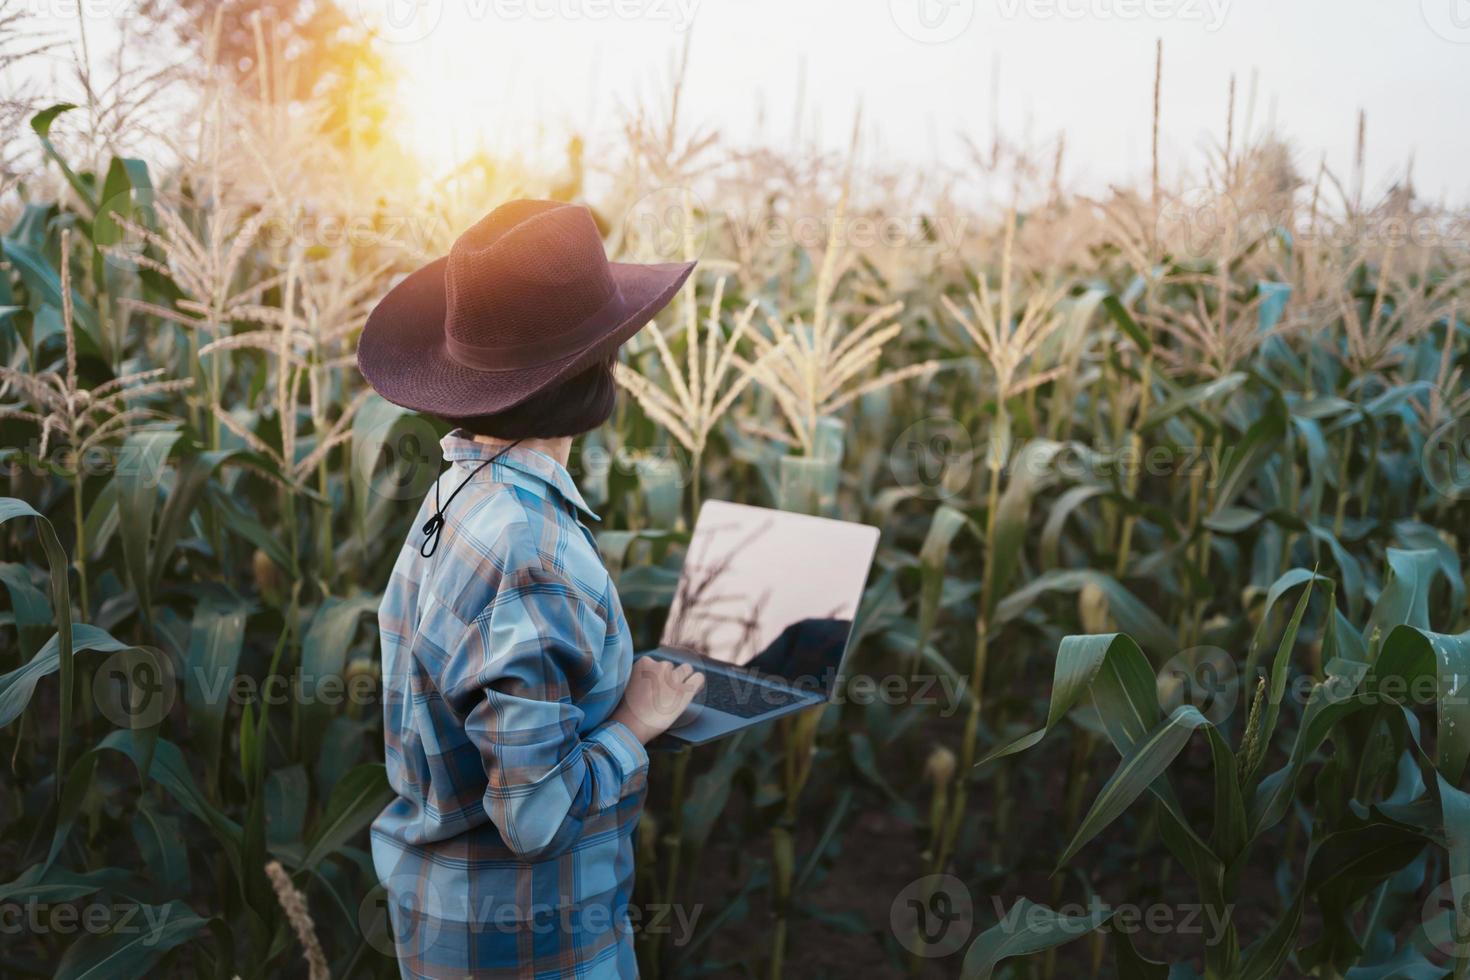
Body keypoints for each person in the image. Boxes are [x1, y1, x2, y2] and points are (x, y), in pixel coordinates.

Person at [356, 199, 705, 978]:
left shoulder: (457, 491)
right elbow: (534, 815)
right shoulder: (533, 551)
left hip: (446, 922)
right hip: (532, 946)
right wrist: (635, 726)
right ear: (595, 370)